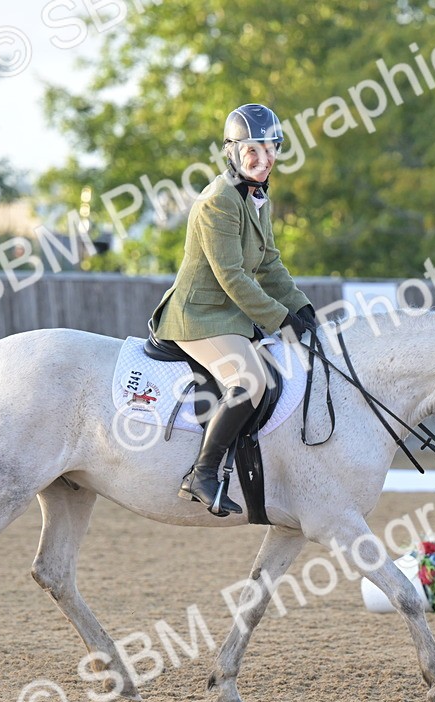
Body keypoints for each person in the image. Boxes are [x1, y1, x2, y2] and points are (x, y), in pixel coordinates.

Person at [149, 103, 317, 516]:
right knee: (251, 380)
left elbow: (271, 264)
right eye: (252, 151)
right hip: (198, 315)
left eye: (271, 149)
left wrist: (304, 308)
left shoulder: (259, 198)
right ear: (232, 152)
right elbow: (234, 278)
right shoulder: (218, 201)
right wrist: (281, 319)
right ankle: (203, 474)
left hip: (229, 316)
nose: (263, 159)